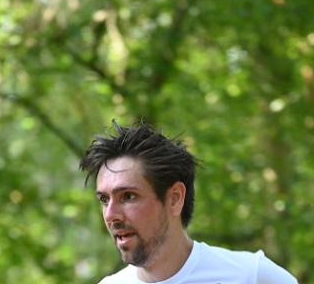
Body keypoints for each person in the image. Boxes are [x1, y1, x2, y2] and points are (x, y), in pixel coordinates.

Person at [79, 121, 298, 284]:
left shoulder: (250, 276)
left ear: (175, 198)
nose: (111, 215)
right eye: (104, 199)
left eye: (128, 196)